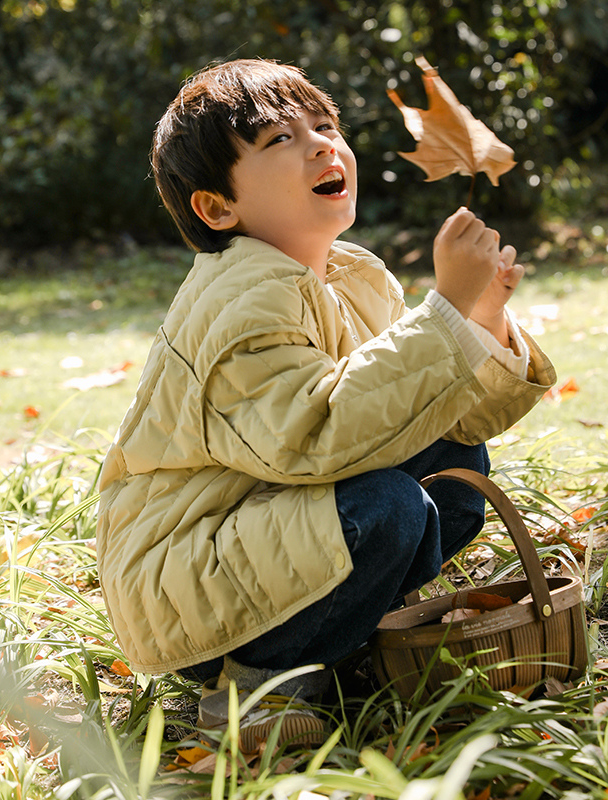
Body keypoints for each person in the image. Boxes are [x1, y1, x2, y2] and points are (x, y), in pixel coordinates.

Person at [95, 58, 556, 750]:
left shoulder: (355, 276)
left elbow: (426, 410)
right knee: (391, 507)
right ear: (218, 207)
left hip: (270, 528)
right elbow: (313, 433)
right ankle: (252, 687)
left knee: (456, 463)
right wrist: (444, 315)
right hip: (192, 574)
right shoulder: (238, 301)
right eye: (279, 140)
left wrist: (478, 323)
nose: (321, 145)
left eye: (325, 125)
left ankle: (339, 641)